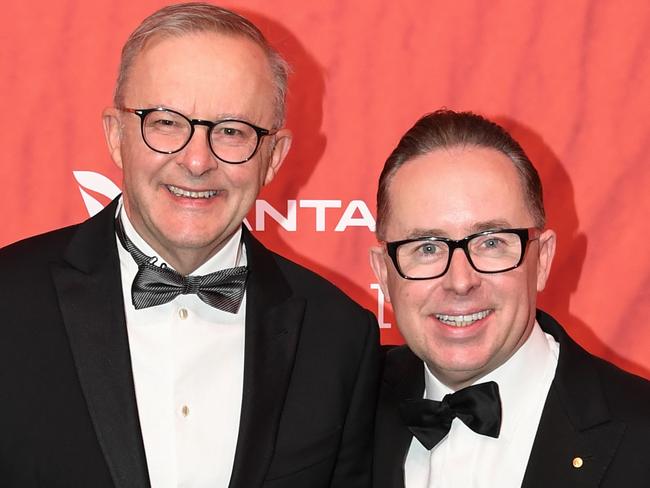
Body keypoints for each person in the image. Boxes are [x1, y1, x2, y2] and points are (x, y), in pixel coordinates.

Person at [0, 4, 380, 487]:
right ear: (117, 136)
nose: (197, 160)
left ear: (274, 157)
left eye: (232, 131)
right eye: (166, 122)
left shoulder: (340, 338)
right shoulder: (7, 303)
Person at [369, 109, 650, 487]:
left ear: (543, 259)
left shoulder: (640, 432)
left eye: (491, 243)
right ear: (384, 273)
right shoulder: (342, 406)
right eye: (427, 247)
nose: (460, 281)